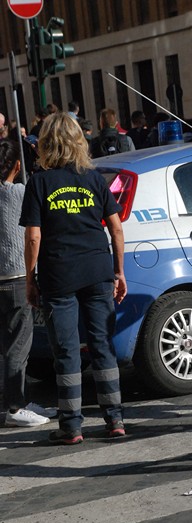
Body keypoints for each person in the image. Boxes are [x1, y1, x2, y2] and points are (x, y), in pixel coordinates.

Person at [20, 112, 128, 444]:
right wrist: (119, 271)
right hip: (97, 270)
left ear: (46, 144)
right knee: (102, 346)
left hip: (59, 274)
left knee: (66, 351)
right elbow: (116, 227)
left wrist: (30, 279)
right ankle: (115, 420)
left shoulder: (39, 183)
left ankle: (72, 426)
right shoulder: (95, 179)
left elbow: (33, 237)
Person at [0, 139, 55, 427]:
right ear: (17, 166)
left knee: (8, 345)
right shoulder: (20, 192)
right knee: (19, 345)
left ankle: (17, 399)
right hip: (16, 276)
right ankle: (16, 407)